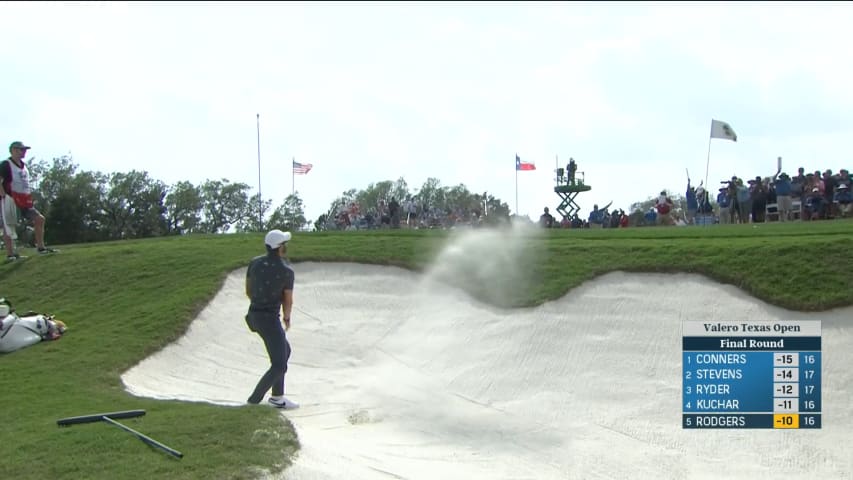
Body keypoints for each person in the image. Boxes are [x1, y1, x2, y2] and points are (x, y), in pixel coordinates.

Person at [245, 229, 299, 409]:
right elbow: (288, 299)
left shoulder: (254, 263)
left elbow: (248, 291)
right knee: (279, 366)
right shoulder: (286, 271)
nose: (287, 246)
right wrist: (287, 317)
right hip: (269, 320)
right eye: (285, 244)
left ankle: (277, 397)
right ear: (280, 248)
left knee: (285, 351)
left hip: (253, 316)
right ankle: (253, 401)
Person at [0, 141, 57, 261]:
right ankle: (11, 255)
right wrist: (3, 194)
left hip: (24, 199)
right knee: (9, 226)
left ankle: (41, 247)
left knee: (39, 219)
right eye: (22, 149)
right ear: (14, 150)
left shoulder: (24, 166)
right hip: (10, 198)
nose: (24, 152)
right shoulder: (6, 164)